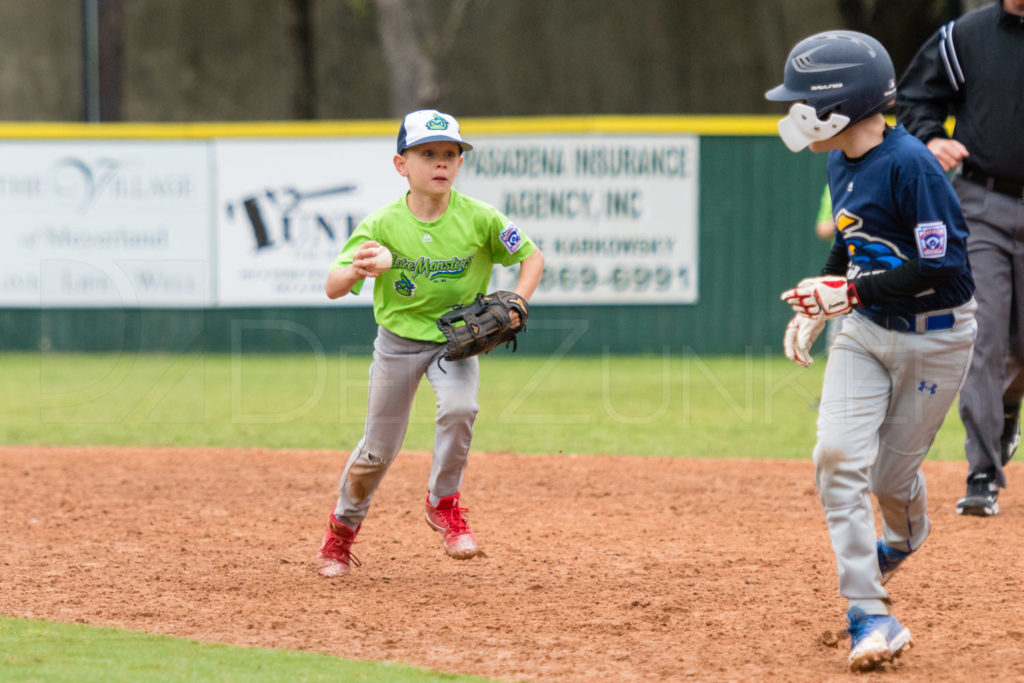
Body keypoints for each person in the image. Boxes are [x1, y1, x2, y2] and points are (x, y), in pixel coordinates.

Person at [767, 31, 977, 671]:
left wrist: (847, 293)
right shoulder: (839, 161)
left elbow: (945, 269)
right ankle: (870, 612)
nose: (795, 114)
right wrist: (821, 296)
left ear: (844, 106)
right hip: (864, 331)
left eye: (805, 101)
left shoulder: (911, 164)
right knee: (835, 457)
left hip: (937, 337)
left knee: (890, 480)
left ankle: (905, 533)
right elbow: (851, 244)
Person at [316, 109, 545, 577]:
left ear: (459, 163)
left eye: (449, 154)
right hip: (396, 344)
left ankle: (443, 503)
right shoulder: (381, 225)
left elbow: (532, 256)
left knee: (461, 409)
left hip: (454, 344)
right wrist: (357, 270)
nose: (440, 163)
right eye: (427, 154)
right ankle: (340, 535)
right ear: (401, 164)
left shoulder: (480, 218)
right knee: (377, 450)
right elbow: (332, 286)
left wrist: (519, 300)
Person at [896, 0, 1024, 517]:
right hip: (982, 204)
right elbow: (914, 95)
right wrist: (930, 136)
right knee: (985, 336)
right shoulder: (966, 35)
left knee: (1019, 347)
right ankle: (981, 474)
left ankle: (1006, 410)